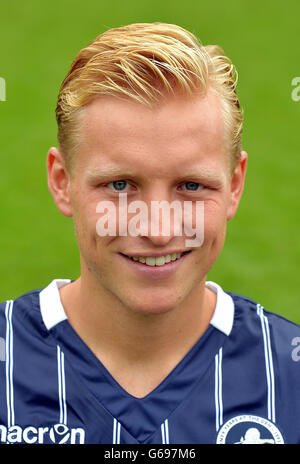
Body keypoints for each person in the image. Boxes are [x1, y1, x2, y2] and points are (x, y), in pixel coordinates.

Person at [0, 22, 299, 445]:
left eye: (191, 186)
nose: (158, 230)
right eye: (120, 185)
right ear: (62, 181)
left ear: (234, 186)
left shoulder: (290, 373)